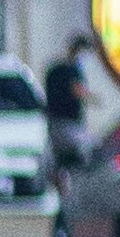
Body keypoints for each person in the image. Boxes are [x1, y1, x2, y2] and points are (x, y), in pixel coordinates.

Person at [44, 33, 96, 169]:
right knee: (84, 157)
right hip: (68, 126)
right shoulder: (72, 71)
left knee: (61, 162)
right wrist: (94, 99)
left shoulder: (53, 70)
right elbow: (77, 90)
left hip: (54, 124)